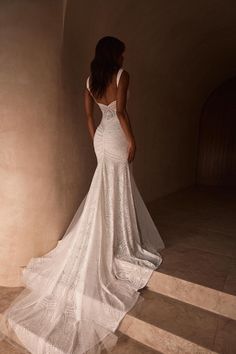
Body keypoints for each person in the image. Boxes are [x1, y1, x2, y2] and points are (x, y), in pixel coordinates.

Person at [0, 36, 165, 354]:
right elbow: (122, 113)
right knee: (117, 185)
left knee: (104, 186)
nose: (125, 53)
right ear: (116, 53)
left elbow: (91, 117)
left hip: (101, 139)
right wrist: (133, 141)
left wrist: (95, 141)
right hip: (116, 136)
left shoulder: (91, 80)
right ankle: (120, 238)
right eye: (123, 50)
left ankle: (107, 232)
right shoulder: (121, 75)